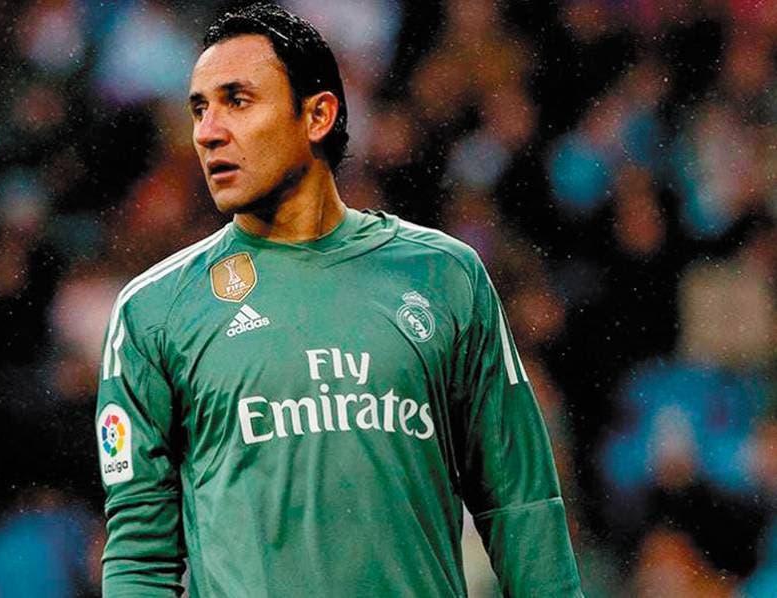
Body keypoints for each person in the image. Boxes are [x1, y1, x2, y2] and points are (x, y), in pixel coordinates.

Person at [95, 3, 581, 596]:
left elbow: (521, 502)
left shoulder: (445, 276)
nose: (207, 131)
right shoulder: (154, 311)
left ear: (318, 115)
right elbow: (140, 557)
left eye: (237, 101)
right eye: (199, 109)